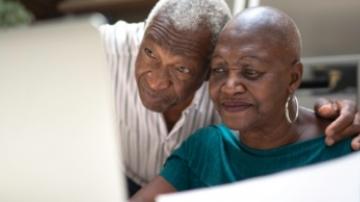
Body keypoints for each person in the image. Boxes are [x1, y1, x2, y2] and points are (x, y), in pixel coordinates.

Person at [99, 0, 360, 196]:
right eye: (220, 70)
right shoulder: (205, 147)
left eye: (251, 72)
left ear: (293, 79)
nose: (229, 86)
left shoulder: (343, 144)